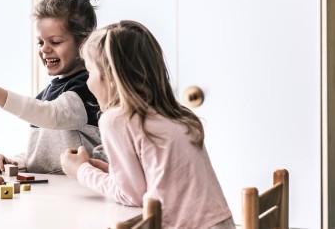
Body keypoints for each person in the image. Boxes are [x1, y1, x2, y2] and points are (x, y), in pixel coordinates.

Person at [60, 20, 235, 229]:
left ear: (111, 78)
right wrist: (109, 172)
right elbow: (153, 181)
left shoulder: (116, 119)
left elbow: (130, 194)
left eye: (90, 72)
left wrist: (81, 171)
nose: (88, 83)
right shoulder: (174, 113)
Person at [0, 0, 105, 174]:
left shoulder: (86, 87)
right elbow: (42, 154)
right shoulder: (46, 95)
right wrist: (15, 162)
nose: (45, 50)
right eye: (40, 43)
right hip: (52, 191)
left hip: (82, 189)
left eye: (55, 42)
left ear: (84, 42)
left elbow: (52, 115)